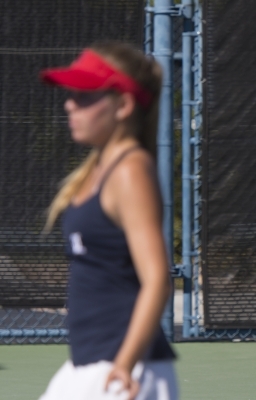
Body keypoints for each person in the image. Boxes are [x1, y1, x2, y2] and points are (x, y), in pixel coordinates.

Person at [38, 42, 178, 400]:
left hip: (123, 370)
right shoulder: (97, 171)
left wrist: (125, 364)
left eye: (85, 96)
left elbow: (157, 279)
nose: (70, 104)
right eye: (71, 95)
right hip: (88, 364)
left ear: (124, 105)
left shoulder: (131, 170)